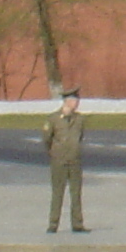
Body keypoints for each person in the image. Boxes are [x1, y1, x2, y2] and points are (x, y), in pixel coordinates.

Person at [43, 88, 88, 233]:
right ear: (67, 102)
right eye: (75, 101)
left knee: (76, 193)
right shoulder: (53, 119)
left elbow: (79, 137)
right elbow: (47, 139)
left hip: (74, 160)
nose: (77, 103)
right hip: (59, 161)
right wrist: (55, 152)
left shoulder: (79, 119)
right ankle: (53, 224)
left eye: (77, 101)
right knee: (58, 193)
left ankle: (77, 224)